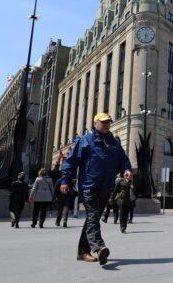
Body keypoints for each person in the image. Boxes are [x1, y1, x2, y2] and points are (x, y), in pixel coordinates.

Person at [60, 113, 132, 265]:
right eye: (104, 122)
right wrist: (65, 180)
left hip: (106, 188)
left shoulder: (114, 143)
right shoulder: (85, 141)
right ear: (95, 123)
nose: (107, 125)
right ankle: (99, 248)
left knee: (92, 219)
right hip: (89, 186)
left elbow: (123, 160)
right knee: (93, 216)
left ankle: (82, 252)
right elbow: (70, 161)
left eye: (108, 122)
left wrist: (126, 169)